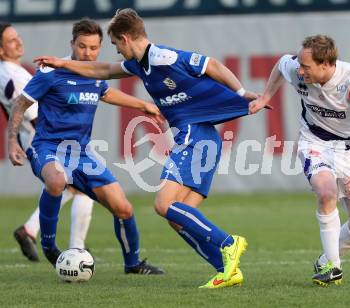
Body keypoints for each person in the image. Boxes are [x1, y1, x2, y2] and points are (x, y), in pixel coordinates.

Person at [34, 8, 275, 288]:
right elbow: (103, 70)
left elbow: (211, 65)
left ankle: (227, 242)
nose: (115, 51)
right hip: (204, 137)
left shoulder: (163, 56)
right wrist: (63, 65)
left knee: (163, 205)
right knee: (179, 217)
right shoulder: (138, 63)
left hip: (194, 134)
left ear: (125, 38)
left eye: (114, 44)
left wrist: (241, 92)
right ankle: (226, 269)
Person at [8, 18, 164, 275]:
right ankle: (48, 245)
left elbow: (105, 93)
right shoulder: (51, 72)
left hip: (81, 153)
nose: (87, 53)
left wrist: (143, 105)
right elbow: (21, 104)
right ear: (72, 43)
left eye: (93, 48)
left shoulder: (94, 73)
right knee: (57, 182)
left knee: (123, 208)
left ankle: (133, 264)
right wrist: (13, 140)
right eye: (82, 46)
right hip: (47, 146)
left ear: (101, 47)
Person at [249, 34, 350, 286]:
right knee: (326, 193)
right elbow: (281, 64)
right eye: (299, 64)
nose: (299, 70)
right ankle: (333, 267)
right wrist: (266, 96)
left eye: (305, 66)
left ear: (326, 64)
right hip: (315, 143)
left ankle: (326, 259)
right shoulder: (297, 69)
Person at [0, 22, 95, 262]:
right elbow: (32, 115)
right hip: (44, 136)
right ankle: (77, 250)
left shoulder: (12, 72)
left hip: (38, 135)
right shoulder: (11, 75)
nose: (19, 41)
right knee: (81, 187)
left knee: (68, 187)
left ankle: (30, 230)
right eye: (11, 40)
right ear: (1, 50)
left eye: (18, 36)